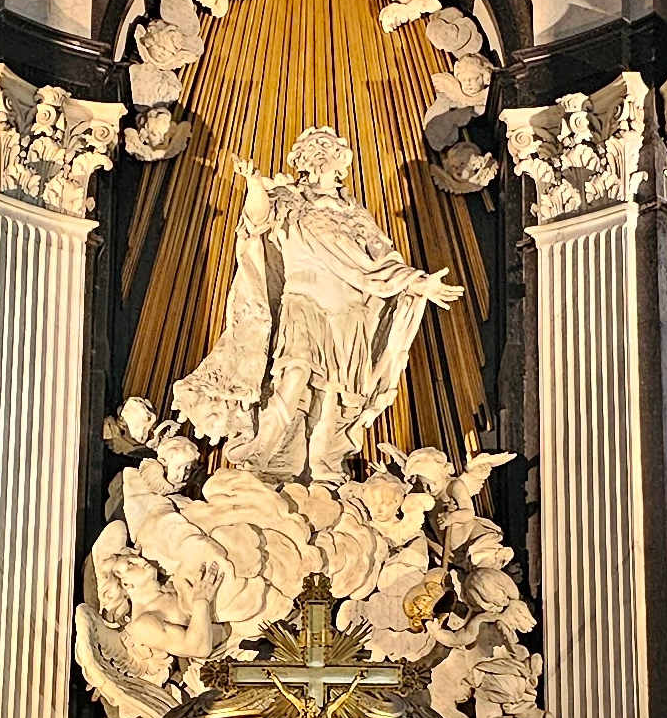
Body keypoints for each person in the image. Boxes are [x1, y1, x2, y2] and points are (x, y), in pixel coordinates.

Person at [173, 128, 465, 484]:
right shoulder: (288, 200)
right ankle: (263, 454)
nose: (321, 154)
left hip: (348, 313)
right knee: (294, 374)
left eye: (327, 149)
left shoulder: (354, 214)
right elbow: (256, 221)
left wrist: (418, 282)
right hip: (302, 302)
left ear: (341, 161)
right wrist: (254, 185)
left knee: (334, 395)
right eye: (314, 149)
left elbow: (383, 259)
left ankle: (324, 468)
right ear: (303, 160)